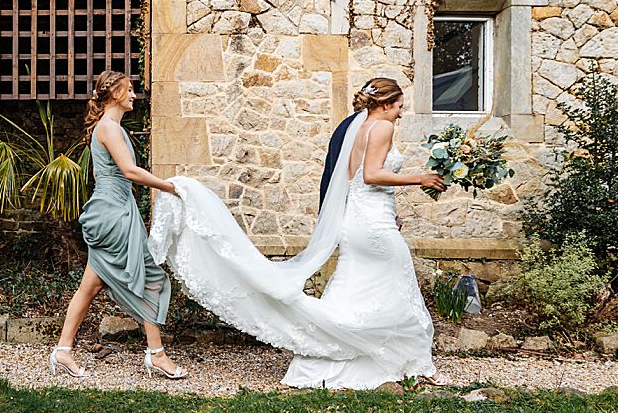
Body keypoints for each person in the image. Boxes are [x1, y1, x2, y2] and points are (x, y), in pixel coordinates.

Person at [148, 77, 447, 390]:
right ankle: (416, 363)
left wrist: (388, 212)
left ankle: (319, 362)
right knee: (401, 288)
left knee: (350, 295)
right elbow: (371, 176)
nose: (401, 113)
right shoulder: (382, 127)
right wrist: (420, 178)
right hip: (373, 224)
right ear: (386, 104)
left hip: (356, 222)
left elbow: (354, 179)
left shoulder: (356, 127)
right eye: (399, 106)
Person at [50, 70, 185, 380]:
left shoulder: (107, 128)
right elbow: (130, 171)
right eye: (130, 90)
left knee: (90, 286)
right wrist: (170, 187)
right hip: (116, 214)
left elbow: (102, 176)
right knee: (148, 277)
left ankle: (63, 350)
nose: (135, 95)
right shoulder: (109, 128)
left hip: (109, 209)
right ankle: (157, 354)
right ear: (115, 95)